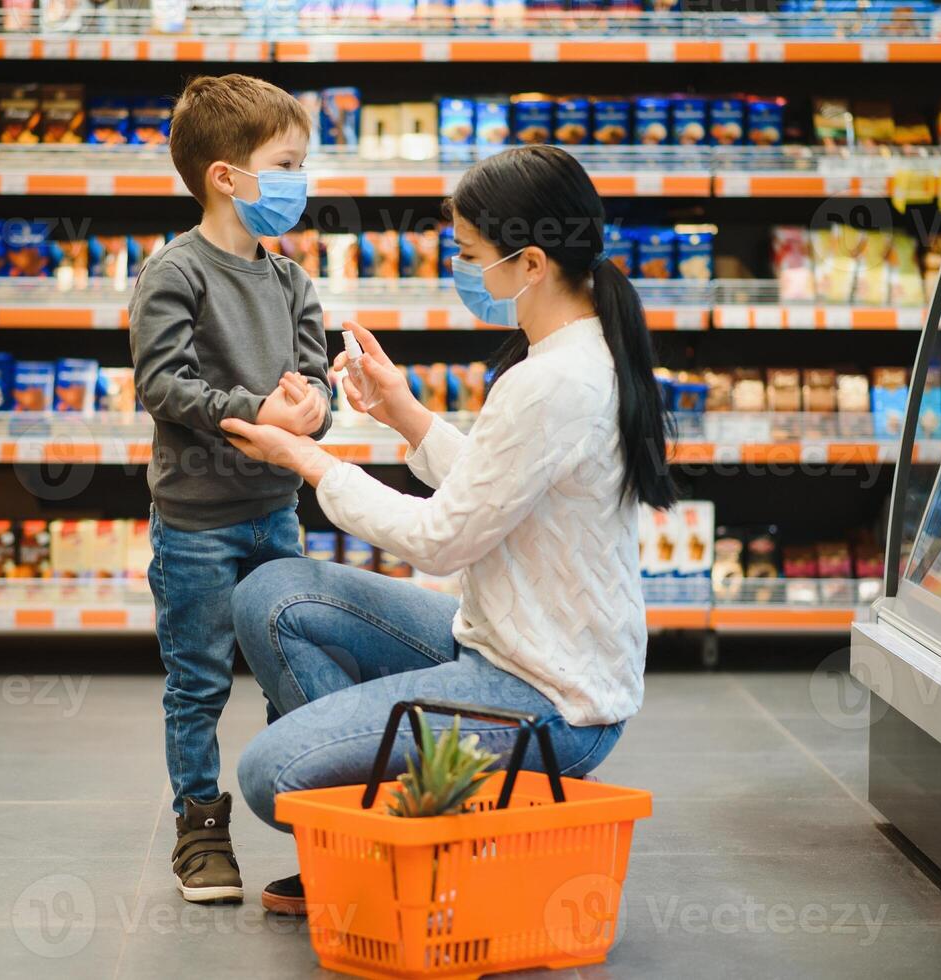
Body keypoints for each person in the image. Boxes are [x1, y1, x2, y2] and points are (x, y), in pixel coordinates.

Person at [220, 143, 677, 915]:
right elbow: (499, 488)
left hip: (550, 700)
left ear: (529, 263)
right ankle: (394, 804)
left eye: (469, 254)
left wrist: (309, 460)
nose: (463, 270)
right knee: (273, 594)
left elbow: (443, 538)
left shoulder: (552, 380)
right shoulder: (577, 351)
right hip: (504, 640)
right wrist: (402, 408)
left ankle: (417, 851)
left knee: (273, 776)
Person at [128, 73, 333, 905]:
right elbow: (162, 384)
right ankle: (200, 830)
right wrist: (256, 409)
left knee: (292, 672)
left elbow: (317, 377)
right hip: (196, 526)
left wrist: (314, 404)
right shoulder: (175, 274)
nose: (298, 183)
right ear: (226, 175)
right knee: (200, 681)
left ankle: (313, 830)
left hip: (274, 514)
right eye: (285, 164)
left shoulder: (292, 282)